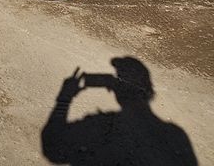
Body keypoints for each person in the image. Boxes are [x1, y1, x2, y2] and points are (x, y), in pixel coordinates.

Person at [41, 57, 197, 165]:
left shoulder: (101, 127)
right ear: (148, 91)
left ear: (116, 92)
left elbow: (52, 148)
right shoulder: (176, 136)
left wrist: (64, 98)